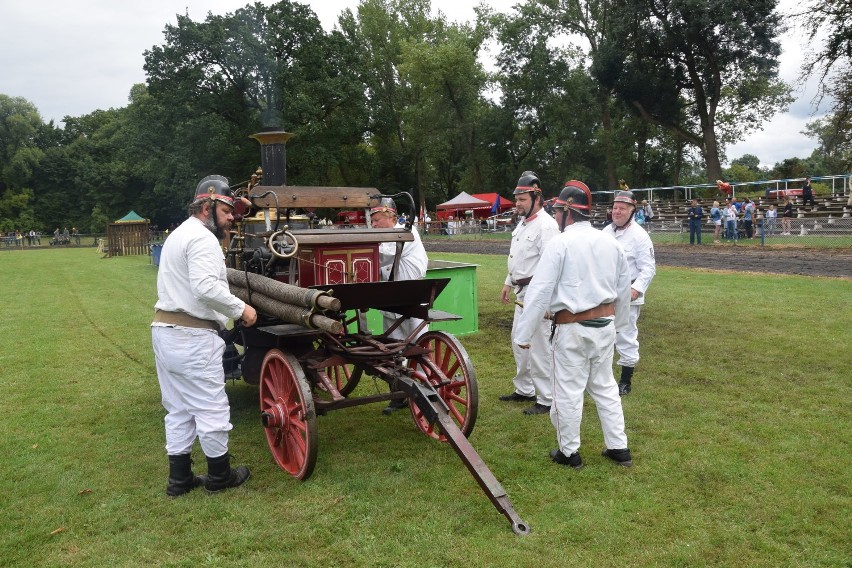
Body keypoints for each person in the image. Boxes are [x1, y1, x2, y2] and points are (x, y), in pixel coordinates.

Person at [515, 180, 633, 469]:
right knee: (604, 386)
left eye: (557, 211)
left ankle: (569, 453)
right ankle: (619, 448)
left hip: (571, 329)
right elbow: (623, 290)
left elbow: (540, 290)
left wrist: (523, 334)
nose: (555, 216)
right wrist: (620, 326)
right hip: (604, 326)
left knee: (567, 391)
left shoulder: (560, 243)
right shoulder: (611, 243)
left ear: (568, 212)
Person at [152, 175, 257, 497]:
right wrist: (243, 309)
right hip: (192, 337)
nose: (231, 219)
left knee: (179, 408)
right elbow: (206, 287)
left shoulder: (179, 234)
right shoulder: (202, 238)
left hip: (166, 332)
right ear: (208, 205)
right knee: (211, 408)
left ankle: (180, 480)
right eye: (227, 211)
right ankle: (219, 476)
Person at [499, 171, 560, 415]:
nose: (517, 204)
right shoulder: (523, 224)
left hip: (537, 294)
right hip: (521, 291)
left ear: (537, 198)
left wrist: (546, 302)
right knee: (519, 341)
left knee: (539, 347)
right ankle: (524, 389)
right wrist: (508, 282)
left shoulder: (547, 226)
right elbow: (517, 258)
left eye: (522, 199)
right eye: (517, 199)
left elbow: (552, 265)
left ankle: (546, 398)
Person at [370, 198, 430, 414]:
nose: (374, 224)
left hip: (411, 299)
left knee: (418, 347)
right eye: (372, 221)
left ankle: (426, 393)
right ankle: (398, 395)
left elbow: (384, 256)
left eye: (377, 220)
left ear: (391, 217)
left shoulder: (406, 231)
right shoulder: (381, 237)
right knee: (394, 349)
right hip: (391, 301)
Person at [602, 190, 656, 396]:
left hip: (628, 295)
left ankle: (625, 380)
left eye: (622, 208)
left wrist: (635, 290)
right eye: (615, 208)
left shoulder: (640, 236)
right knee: (603, 334)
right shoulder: (606, 232)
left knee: (626, 336)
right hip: (605, 293)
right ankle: (602, 377)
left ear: (632, 211)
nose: (617, 211)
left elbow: (648, 268)